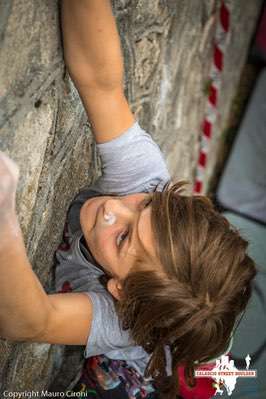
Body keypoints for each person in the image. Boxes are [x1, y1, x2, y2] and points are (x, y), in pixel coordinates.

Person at [0, 1, 256, 398]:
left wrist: (4, 220)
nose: (113, 209)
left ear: (119, 290)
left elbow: (31, 321)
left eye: (122, 238)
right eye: (145, 206)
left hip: (136, 370)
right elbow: (100, 83)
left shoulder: (121, 322)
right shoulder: (147, 181)